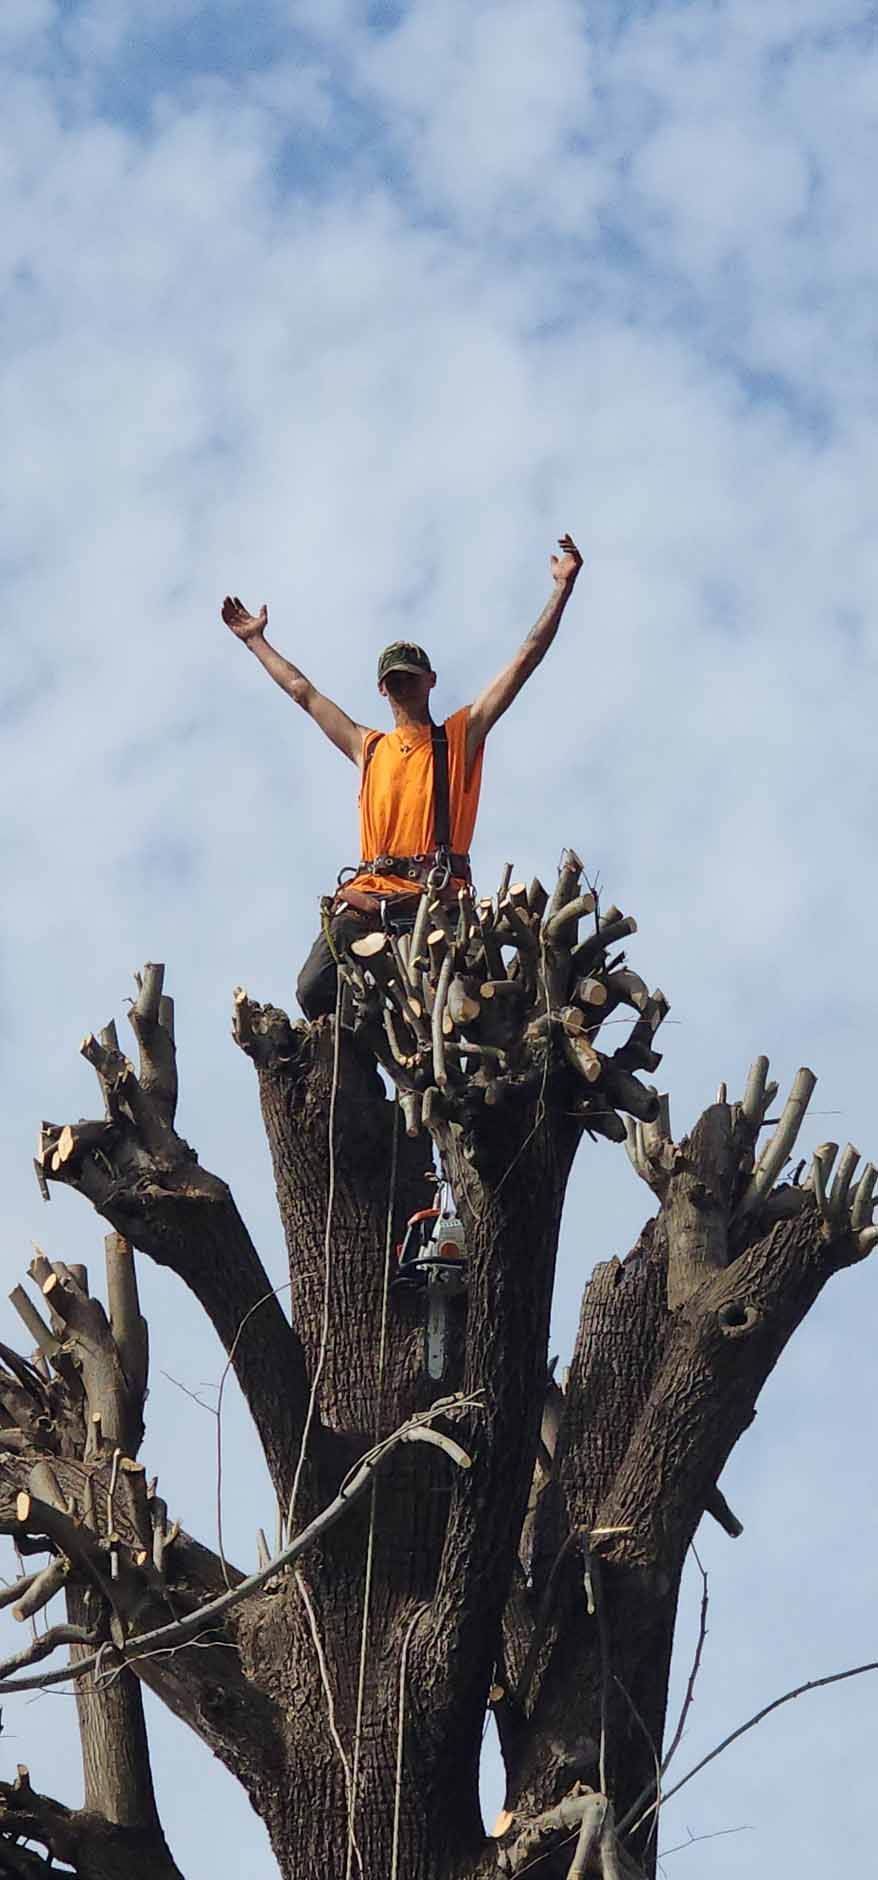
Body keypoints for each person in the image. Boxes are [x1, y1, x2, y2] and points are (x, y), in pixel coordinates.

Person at [221, 534, 583, 1018]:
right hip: (366, 902)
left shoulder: (458, 737)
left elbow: (525, 659)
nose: (403, 686)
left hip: (434, 905)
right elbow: (302, 692)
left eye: (411, 677)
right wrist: (256, 641)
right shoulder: (368, 747)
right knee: (314, 991)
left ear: (430, 681)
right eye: (395, 679)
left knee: (449, 1008)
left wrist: (560, 590)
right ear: (382, 688)